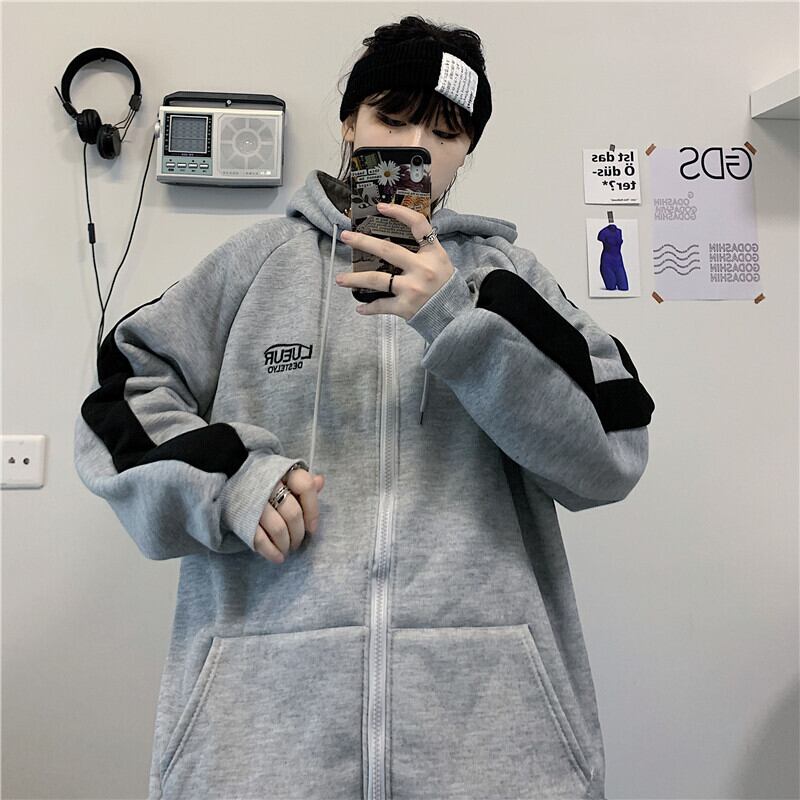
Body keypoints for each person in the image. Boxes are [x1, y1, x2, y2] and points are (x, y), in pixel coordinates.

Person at [74, 15, 654, 800]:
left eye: (445, 131)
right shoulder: (254, 266)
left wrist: (459, 318)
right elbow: (120, 399)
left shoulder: (510, 284)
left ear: (467, 150)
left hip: (490, 746)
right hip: (263, 745)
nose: (416, 146)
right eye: (393, 117)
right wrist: (231, 478)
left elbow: (614, 449)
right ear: (350, 122)